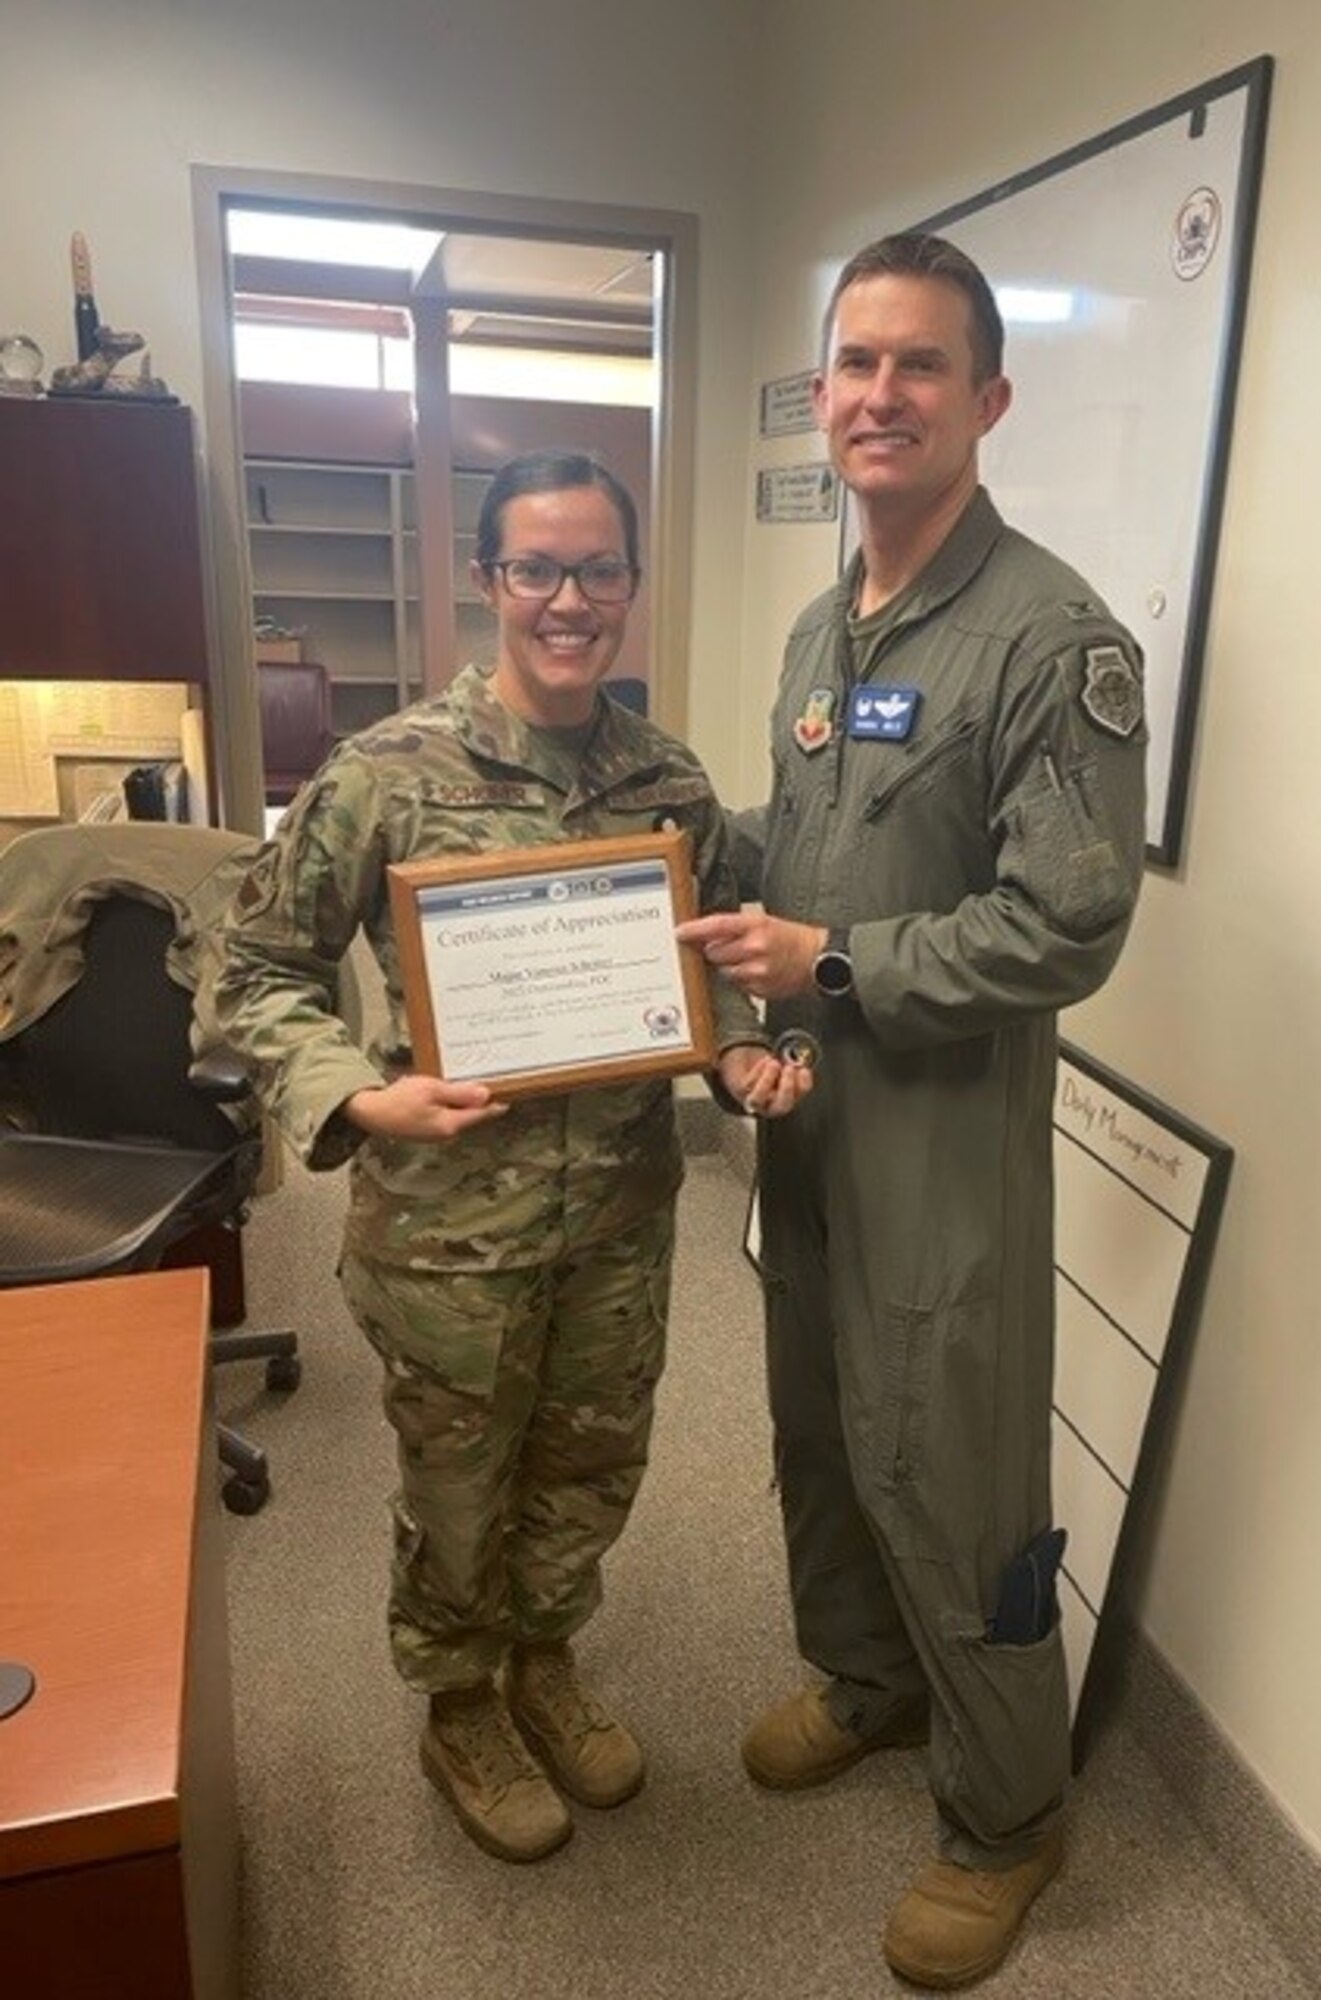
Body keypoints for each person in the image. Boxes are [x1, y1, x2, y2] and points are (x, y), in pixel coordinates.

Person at [217, 449, 811, 1867]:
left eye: (599, 569)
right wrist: (359, 1101)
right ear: (489, 581)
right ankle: (461, 1705)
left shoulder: (669, 783)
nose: (569, 599)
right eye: (537, 568)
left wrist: (731, 1050)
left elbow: (716, 961)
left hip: (617, 1215)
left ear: (630, 587)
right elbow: (250, 969)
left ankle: (546, 1662)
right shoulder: (383, 774)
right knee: (459, 1488)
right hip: (447, 1234)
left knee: (591, 1465)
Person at [678, 234, 1147, 1987]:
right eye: (853, 366)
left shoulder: (1052, 638)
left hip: (946, 1147)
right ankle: (870, 1683)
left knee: (952, 1467)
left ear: (988, 400)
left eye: (919, 367)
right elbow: (804, 876)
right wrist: (754, 1002)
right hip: (810, 1117)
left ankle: (1011, 1817)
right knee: (812, 1423)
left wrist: (839, 964)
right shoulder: (825, 621)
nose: (877, 396)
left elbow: (1067, 924)